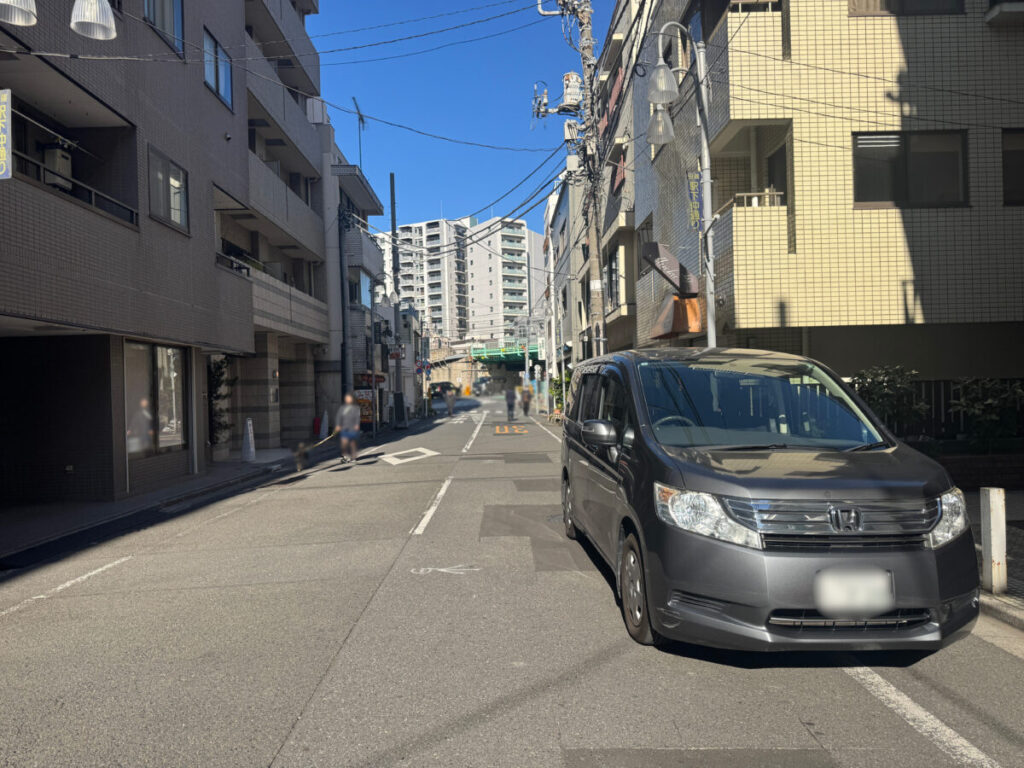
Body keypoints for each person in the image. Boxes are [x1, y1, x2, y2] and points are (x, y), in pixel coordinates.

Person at [334, 393, 361, 464]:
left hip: (352, 428)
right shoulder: (342, 408)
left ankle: (353, 456)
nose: (348, 399)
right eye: (347, 398)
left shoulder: (356, 408)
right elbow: (339, 417)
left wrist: (357, 425)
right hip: (344, 428)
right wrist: (338, 425)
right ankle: (345, 456)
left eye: (349, 398)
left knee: (352, 443)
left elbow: (357, 417)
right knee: (344, 443)